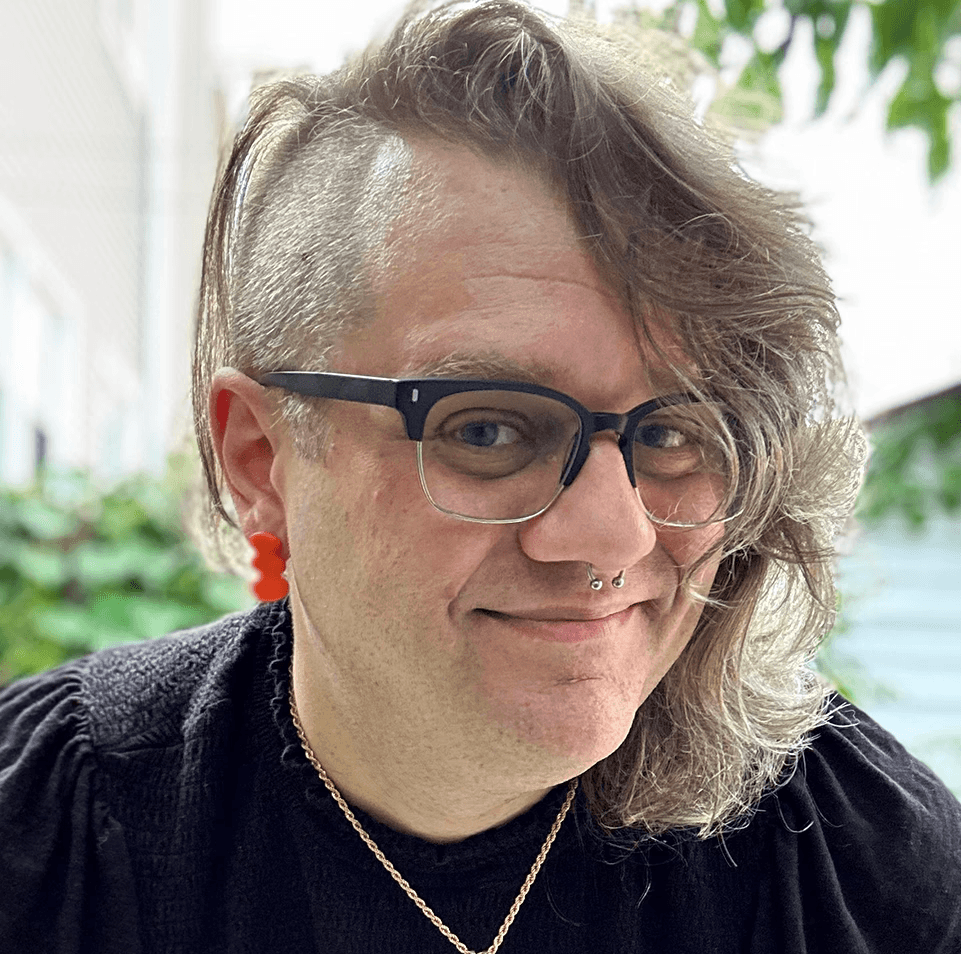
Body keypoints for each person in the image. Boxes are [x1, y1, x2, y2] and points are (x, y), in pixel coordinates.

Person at [2, 1, 959, 951]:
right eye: (490, 430)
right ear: (260, 456)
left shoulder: (851, 864)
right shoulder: (51, 836)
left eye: (675, 433)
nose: (613, 535)